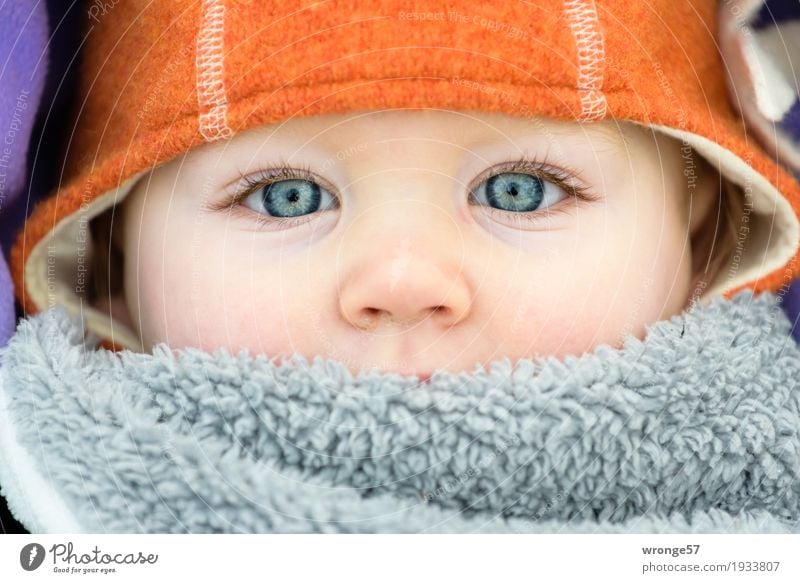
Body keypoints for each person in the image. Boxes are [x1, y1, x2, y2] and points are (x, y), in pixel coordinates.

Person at [1, 0, 800, 534]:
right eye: (285, 196)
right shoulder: (49, 495)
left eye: (518, 191)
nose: (405, 280)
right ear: (111, 251)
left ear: (700, 225)